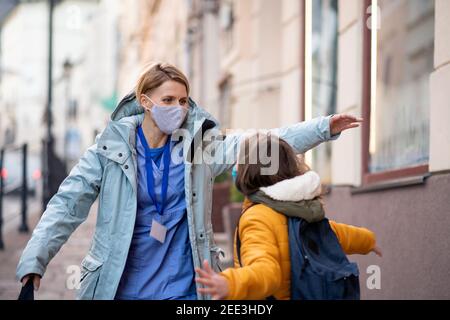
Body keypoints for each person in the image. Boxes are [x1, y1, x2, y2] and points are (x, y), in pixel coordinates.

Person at [17, 62, 362, 300]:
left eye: (183, 101)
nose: (178, 108)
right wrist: (35, 259)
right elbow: (67, 204)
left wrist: (322, 128)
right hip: (121, 283)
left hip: (185, 283)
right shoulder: (109, 150)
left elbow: (261, 141)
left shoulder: (200, 146)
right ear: (145, 101)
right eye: (168, 100)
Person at [195, 133, 381, 300]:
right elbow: (335, 233)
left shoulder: (257, 217)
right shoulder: (300, 205)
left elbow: (267, 271)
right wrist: (368, 240)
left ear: (248, 170)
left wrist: (230, 283)